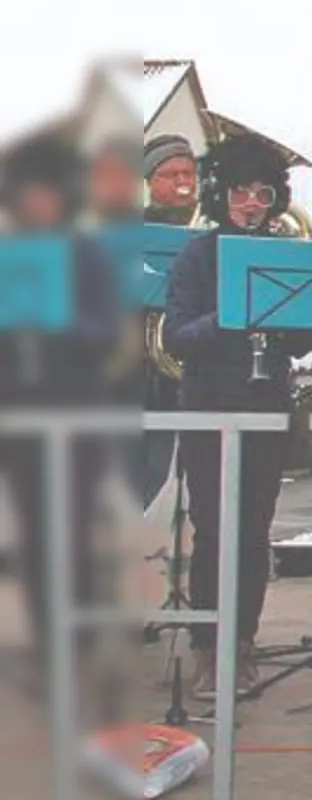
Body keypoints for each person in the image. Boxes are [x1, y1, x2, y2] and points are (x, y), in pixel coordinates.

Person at [162, 134, 312, 699]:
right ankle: (208, 648)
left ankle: (243, 645)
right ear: (219, 194)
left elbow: (299, 344)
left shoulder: (286, 253)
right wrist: (233, 315)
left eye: (262, 192)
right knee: (212, 532)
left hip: (266, 407)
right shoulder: (197, 256)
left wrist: (291, 315)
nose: (252, 202)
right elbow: (177, 338)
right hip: (207, 409)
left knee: (252, 534)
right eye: (240, 192)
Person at [0, 133, 119, 675]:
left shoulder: (85, 253)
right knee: (31, 532)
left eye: (45, 192)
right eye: (27, 192)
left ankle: (78, 641)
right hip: (17, 411)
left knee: (69, 528)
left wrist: (55, 318)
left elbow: (105, 331)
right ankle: (49, 639)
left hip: (74, 409)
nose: (35, 202)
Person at [140, 134, 199, 510]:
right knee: (140, 474)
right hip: (134, 373)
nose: (182, 182)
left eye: (188, 173)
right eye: (170, 173)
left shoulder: (211, 230)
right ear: (149, 181)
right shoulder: (129, 231)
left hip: (184, 373)